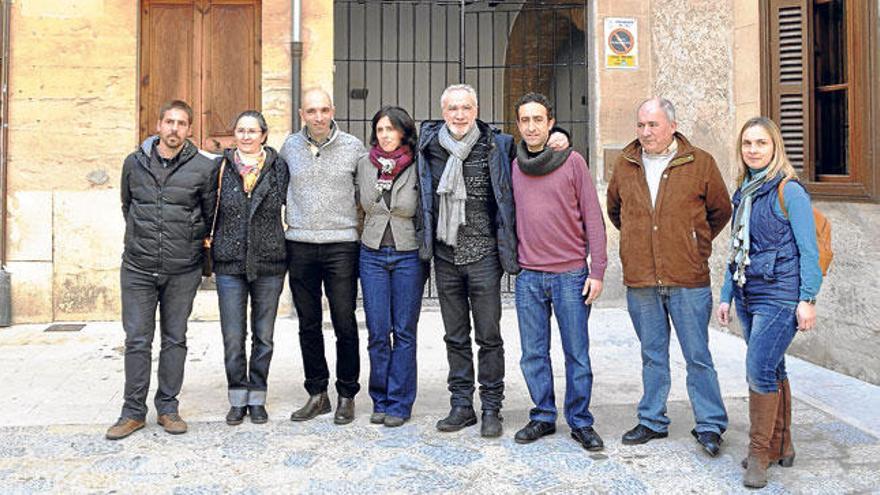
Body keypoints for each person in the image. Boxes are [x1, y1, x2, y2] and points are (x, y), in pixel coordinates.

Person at [416, 83, 568, 437]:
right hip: (445, 254)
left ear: (477, 109)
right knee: (454, 336)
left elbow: (536, 152)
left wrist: (559, 134)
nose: (459, 115)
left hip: (485, 256)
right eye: (452, 108)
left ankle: (492, 407)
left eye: (466, 108)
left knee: (489, 336)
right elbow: (388, 143)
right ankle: (461, 405)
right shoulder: (428, 146)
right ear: (443, 112)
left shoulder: (498, 145)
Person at [607, 97, 731, 456]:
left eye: (653, 125)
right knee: (652, 354)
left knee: (697, 355)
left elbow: (720, 210)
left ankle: (709, 424)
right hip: (642, 278)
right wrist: (638, 242)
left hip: (687, 278)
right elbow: (617, 211)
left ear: (672, 126)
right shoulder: (625, 164)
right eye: (641, 125)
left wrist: (694, 243)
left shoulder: (700, 163)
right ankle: (652, 420)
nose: (646, 133)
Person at [716, 117, 821, 489]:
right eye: (747, 143)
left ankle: (759, 454)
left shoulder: (788, 191)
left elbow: (809, 250)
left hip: (781, 293)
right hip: (748, 292)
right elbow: (735, 250)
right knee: (774, 368)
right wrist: (727, 294)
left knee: (758, 368)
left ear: (775, 147)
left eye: (761, 143)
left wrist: (807, 298)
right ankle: (783, 445)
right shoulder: (743, 191)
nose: (753, 150)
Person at [106, 100, 218, 440]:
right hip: (138, 267)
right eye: (169, 121)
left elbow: (209, 214)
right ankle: (132, 412)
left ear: (189, 130)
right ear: (158, 125)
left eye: (181, 123)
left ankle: (168, 408)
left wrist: (185, 243)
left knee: (175, 339)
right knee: (137, 339)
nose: (174, 128)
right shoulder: (134, 163)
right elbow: (128, 206)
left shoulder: (203, 167)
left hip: (182, 269)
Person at [510, 93, 608, 452]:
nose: (532, 126)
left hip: (570, 275)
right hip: (529, 276)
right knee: (533, 353)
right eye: (525, 120)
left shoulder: (573, 162)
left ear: (551, 123)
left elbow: (594, 219)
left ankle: (581, 421)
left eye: (539, 119)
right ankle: (543, 415)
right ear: (518, 124)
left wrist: (596, 270)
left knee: (576, 353)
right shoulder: (514, 163)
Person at [281, 88, 365, 425]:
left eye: (324, 110)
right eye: (311, 111)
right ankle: (317, 393)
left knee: (345, 321)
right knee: (308, 323)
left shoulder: (353, 147)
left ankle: (347, 393)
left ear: (333, 111)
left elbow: (368, 192)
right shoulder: (289, 148)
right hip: (299, 244)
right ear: (302, 113)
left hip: (341, 245)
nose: (318, 117)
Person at [212, 110, 290, 426]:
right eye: (240, 130)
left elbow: (290, 202)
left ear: (263, 135)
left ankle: (257, 396)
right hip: (229, 263)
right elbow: (208, 209)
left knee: (264, 335)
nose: (246, 136)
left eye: (252, 131)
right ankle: (236, 396)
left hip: (269, 261)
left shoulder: (278, 167)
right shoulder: (220, 168)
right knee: (233, 336)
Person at [357, 106, 426, 428]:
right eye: (380, 129)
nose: (385, 135)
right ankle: (380, 399)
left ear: (403, 132)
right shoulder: (363, 164)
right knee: (377, 331)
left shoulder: (418, 164)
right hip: (371, 253)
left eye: (391, 129)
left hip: (407, 253)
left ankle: (400, 402)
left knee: (404, 331)